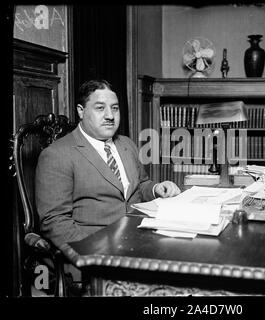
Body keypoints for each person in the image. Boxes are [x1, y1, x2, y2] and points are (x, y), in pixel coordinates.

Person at [35, 79, 181, 249]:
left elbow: (140, 185)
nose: (110, 116)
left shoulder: (126, 144)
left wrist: (156, 189)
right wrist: (99, 250)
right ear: (81, 111)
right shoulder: (57, 154)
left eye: (114, 108)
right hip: (96, 252)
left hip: (141, 238)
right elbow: (55, 223)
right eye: (100, 108)